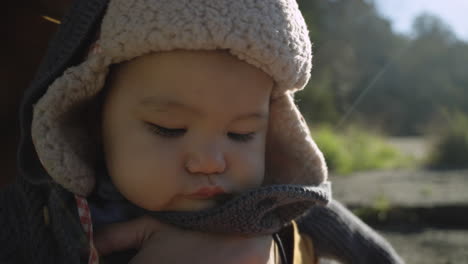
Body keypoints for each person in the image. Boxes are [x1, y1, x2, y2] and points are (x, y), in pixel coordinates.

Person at [0, 0, 404, 263]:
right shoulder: (43, 209)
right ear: (92, 120)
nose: (210, 161)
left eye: (242, 134)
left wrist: (276, 250)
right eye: (169, 129)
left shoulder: (274, 203)